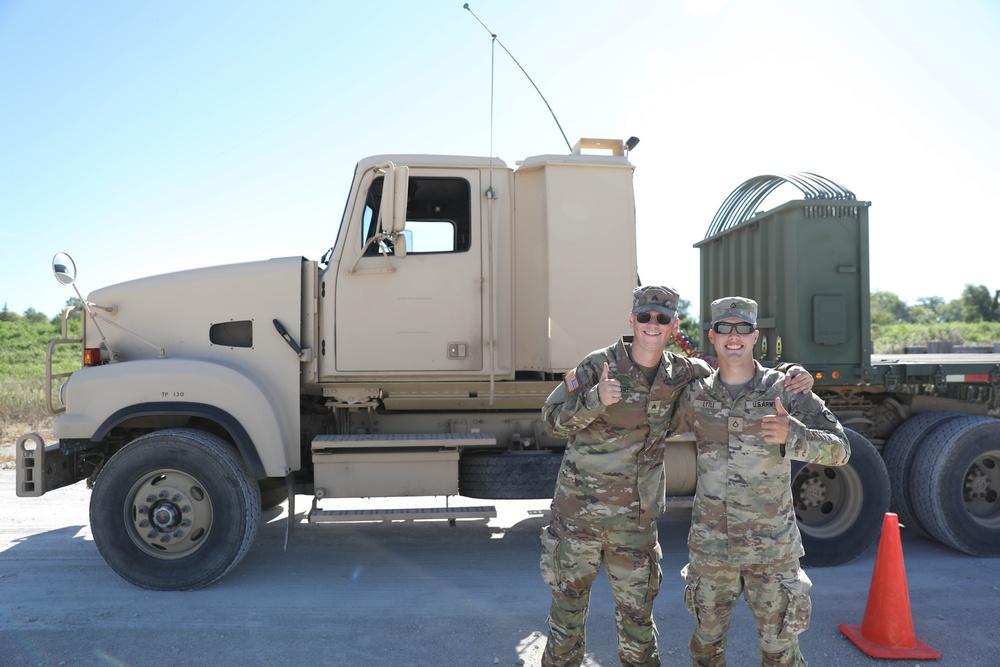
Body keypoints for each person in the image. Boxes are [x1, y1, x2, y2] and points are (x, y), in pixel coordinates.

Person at [538, 286, 814, 667]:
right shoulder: (597, 365)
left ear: (674, 326)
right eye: (646, 317)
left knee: (637, 628)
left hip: (635, 524)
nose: (653, 325)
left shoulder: (683, 374)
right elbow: (551, 420)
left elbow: (734, 372)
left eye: (662, 319)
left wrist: (788, 373)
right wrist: (595, 399)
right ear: (632, 321)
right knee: (565, 624)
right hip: (577, 520)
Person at [671, 296, 850, 667]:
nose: (733, 336)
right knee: (705, 649)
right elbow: (650, 426)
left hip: (772, 551)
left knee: (779, 653)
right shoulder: (696, 393)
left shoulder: (785, 389)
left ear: (755, 336)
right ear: (713, 336)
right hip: (711, 550)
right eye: (724, 328)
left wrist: (794, 434)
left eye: (742, 329)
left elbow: (841, 450)